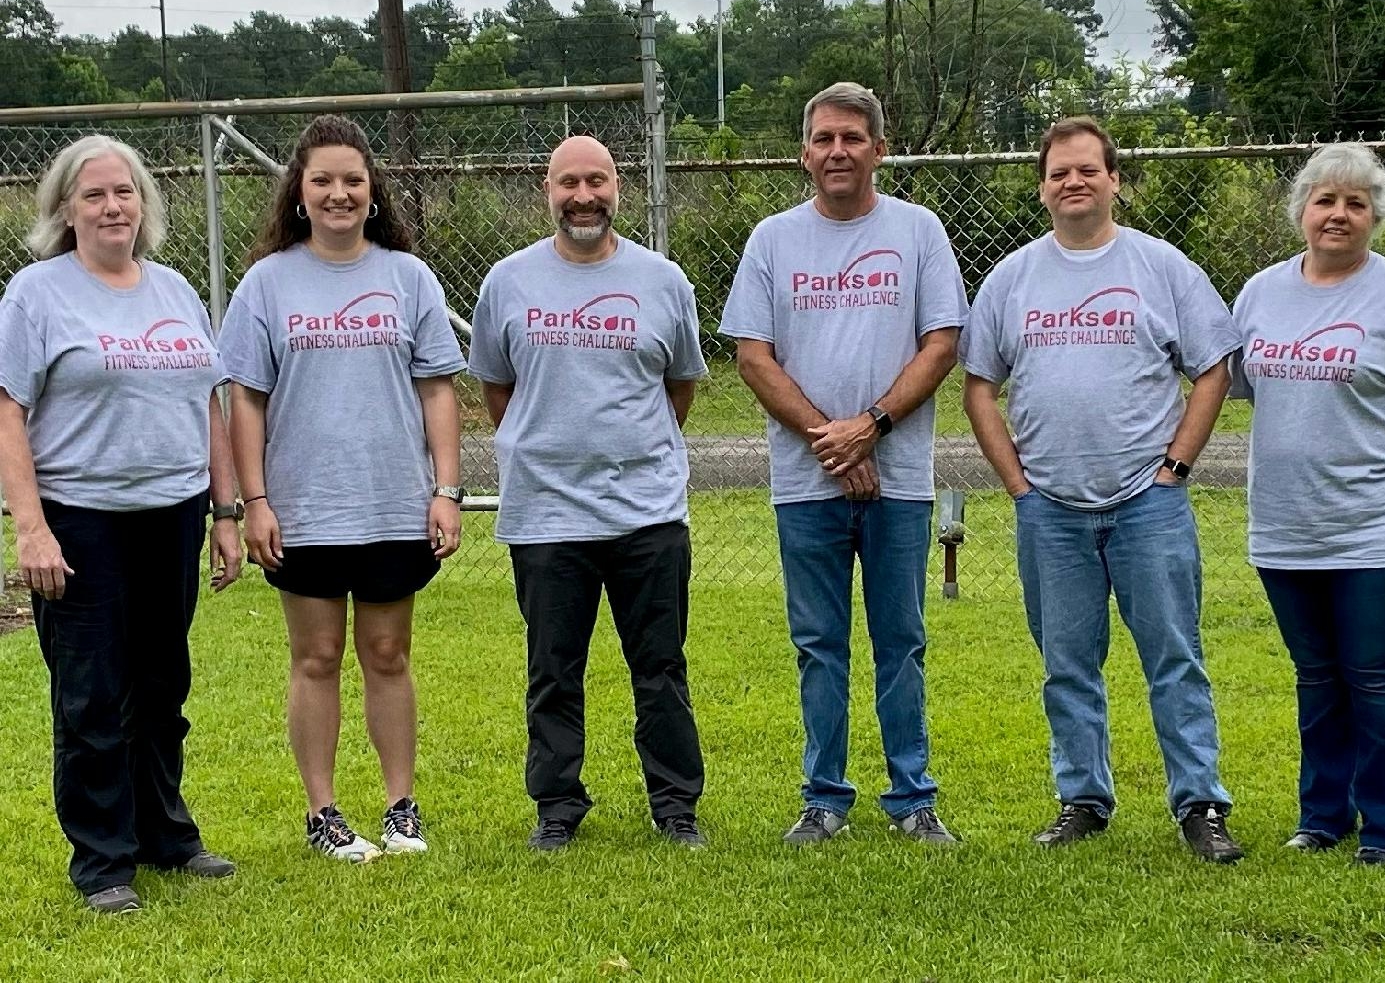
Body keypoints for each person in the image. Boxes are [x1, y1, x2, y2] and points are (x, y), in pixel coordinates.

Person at [961, 116, 1245, 863]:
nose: (1074, 181)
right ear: (1042, 188)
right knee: (1066, 663)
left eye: (1089, 169)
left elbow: (1213, 366)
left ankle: (1201, 804)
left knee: (1174, 656)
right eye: (1059, 172)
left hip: (1146, 504)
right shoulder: (1012, 278)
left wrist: (1176, 465)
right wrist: (1018, 485)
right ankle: (1083, 797)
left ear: (1115, 180)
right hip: (1050, 508)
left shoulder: (1162, 268)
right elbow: (979, 387)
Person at [720, 82, 968, 846]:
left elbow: (942, 343)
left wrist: (873, 426)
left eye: (853, 137)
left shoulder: (919, 231)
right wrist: (832, 440)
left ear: (879, 149)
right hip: (806, 483)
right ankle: (823, 797)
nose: (838, 151)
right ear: (804, 153)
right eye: (824, 138)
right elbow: (752, 356)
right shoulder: (772, 240)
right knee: (819, 642)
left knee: (903, 639)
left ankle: (912, 797)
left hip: (900, 481)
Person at [0, 136, 242, 914]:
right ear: (65, 209)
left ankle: (164, 833)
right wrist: (30, 528)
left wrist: (225, 511)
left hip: (171, 513)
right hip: (81, 520)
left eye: (125, 193)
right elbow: (9, 411)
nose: (112, 207)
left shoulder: (173, 288)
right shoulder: (36, 294)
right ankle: (102, 858)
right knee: (91, 694)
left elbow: (208, 403)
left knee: (163, 684)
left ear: (145, 204)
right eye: (95, 194)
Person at [220, 115, 465, 862]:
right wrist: (254, 501)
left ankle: (400, 807)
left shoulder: (407, 276)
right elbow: (246, 399)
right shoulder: (267, 282)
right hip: (303, 508)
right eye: (322, 180)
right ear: (298, 191)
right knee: (317, 655)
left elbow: (437, 390)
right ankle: (323, 812)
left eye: (352, 180)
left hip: (392, 499)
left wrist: (446, 488)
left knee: (388, 652)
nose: (338, 193)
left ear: (372, 191)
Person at [1230, 143, 1385, 867]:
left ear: (1376, 216)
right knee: (1317, 673)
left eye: (1356, 203)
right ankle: (1322, 814)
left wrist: (1372, 446)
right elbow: (1250, 388)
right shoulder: (1260, 293)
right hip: (1285, 519)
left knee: (1376, 671)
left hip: (1377, 524)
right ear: (1302, 209)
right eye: (1325, 200)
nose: (1338, 214)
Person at [468, 135, 709, 852]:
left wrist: (630, 447)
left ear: (618, 189)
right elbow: (496, 386)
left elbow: (681, 385)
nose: (583, 196)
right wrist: (549, 446)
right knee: (552, 671)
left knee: (661, 667)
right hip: (547, 514)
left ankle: (675, 805)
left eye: (596, 181)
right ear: (547, 189)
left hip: (648, 511)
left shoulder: (663, 280)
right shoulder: (507, 282)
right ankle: (557, 804)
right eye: (569, 181)